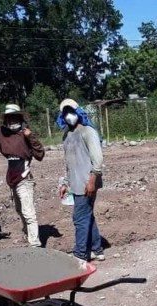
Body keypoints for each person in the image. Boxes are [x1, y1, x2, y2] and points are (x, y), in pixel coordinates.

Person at [57, 98, 104, 271]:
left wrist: (92, 180)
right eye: (65, 112)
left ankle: (81, 255)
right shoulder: (67, 134)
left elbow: (97, 158)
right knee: (87, 216)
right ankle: (97, 249)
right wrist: (65, 183)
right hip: (75, 183)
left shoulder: (87, 131)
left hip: (87, 183)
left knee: (79, 218)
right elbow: (69, 163)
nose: (69, 115)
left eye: (72, 111)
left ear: (78, 112)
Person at [0, 104, 45, 247]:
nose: (12, 122)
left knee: (28, 211)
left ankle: (35, 243)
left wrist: (31, 136)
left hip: (24, 177)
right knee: (19, 209)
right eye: (9, 119)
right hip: (12, 177)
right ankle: (27, 233)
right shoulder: (1, 133)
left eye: (15, 119)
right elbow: (1, 147)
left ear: (21, 120)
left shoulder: (26, 135)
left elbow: (40, 154)